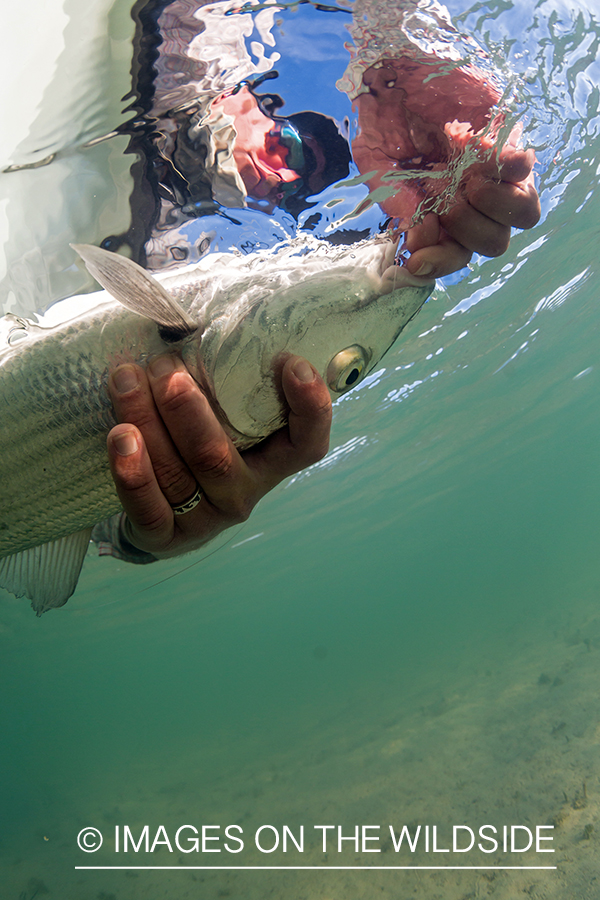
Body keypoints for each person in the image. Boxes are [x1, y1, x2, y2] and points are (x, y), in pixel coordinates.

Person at [93, 0, 540, 564]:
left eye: (292, 182)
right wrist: (399, 43)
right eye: (290, 144)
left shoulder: (169, 258)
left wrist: (140, 536)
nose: (280, 170)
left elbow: (98, 522)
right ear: (253, 98)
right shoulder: (220, 48)